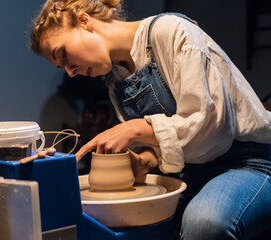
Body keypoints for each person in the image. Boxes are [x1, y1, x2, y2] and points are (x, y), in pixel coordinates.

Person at [29, 0, 271, 239]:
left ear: (84, 22)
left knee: (204, 223)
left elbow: (212, 130)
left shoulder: (170, 31)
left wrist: (136, 128)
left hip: (249, 161)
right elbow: (165, 147)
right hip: (191, 171)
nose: (71, 72)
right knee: (115, 222)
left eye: (63, 54)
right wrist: (143, 161)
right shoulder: (115, 81)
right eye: (62, 67)